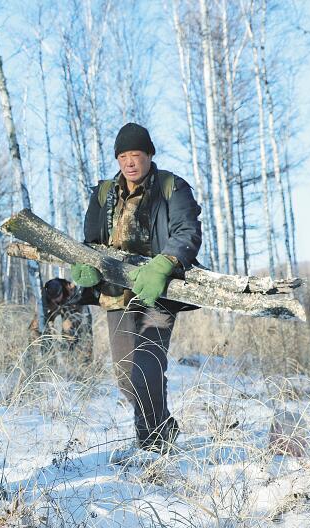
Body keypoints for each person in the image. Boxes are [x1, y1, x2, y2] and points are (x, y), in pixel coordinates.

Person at [71, 122, 202, 453]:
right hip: (116, 294)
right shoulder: (103, 193)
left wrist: (164, 263)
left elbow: (187, 231)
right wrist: (85, 266)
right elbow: (91, 242)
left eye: (137, 155)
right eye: (124, 156)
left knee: (146, 367)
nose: (130, 162)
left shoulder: (172, 187)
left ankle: (153, 443)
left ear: (149, 155)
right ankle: (164, 425)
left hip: (157, 293)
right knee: (126, 377)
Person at [29, 278, 96, 364]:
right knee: (34, 330)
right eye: (53, 298)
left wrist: (69, 330)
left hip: (75, 313)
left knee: (76, 332)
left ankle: (83, 364)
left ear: (61, 292)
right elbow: (38, 318)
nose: (55, 300)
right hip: (56, 313)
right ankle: (46, 362)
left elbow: (80, 317)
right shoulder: (45, 297)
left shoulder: (73, 292)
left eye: (57, 297)